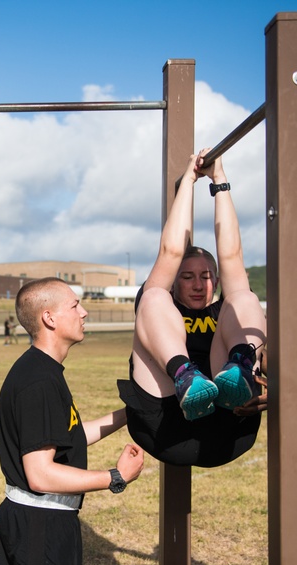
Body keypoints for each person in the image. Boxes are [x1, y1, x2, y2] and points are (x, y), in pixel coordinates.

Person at [0, 277, 145, 565]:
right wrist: (115, 476)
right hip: (41, 524)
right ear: (49, 318)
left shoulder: (42, 372)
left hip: (32, 520)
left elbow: (71, 439)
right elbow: (41, 475)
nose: (84, 312)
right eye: (75, 305)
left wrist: (130, 414)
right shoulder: (39, 382)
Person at [117, 148, 267, 468]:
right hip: (166, 425)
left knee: (244, 298)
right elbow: (172, 250)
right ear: (176, 280)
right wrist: (189, 180)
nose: (199, 285)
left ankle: (240, 366)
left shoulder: (222, 311)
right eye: (187, 276)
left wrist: (220, 181)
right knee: (152, 297)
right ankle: (185, 375)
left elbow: (231, 256)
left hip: (228, 427)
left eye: (206, 276)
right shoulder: (165, 301)